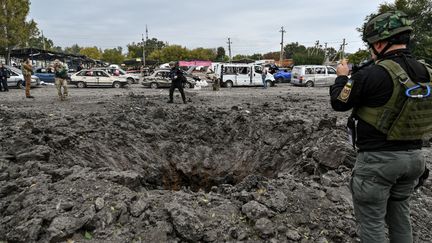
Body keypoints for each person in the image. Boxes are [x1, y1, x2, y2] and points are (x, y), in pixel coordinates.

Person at [330, 11, 430, 242]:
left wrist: (342, 77)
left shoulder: (372, 74)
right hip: (415, 160)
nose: (371, 49)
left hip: (378, 162)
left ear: (382, 42)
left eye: (372, 44)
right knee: (400, 216)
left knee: (372, 223)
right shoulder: (426, 72)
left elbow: (339, 102)